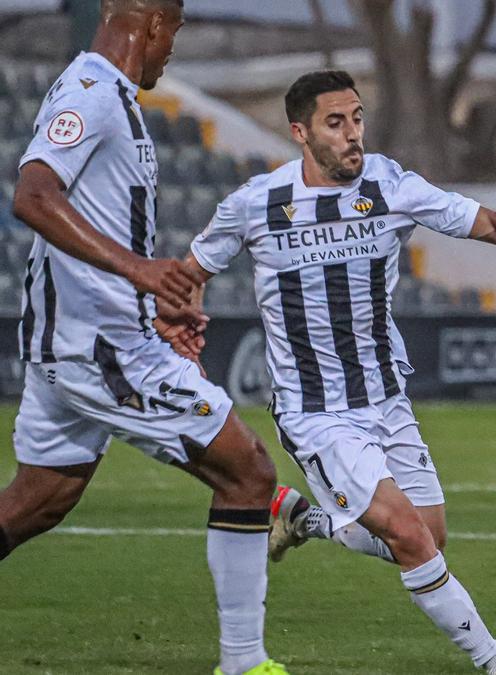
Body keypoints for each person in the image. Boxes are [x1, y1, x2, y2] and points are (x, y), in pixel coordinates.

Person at [158, 70, 496, 675]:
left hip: (386, 399)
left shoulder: (390, 184)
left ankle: (302, 517)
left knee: (428, 539)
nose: (353, 134)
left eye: (357, 118)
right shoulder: (256, 203)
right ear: (300, 133)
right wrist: (177, 319)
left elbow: (486, 222)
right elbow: (190, 270)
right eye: (336, 123)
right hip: (316, 411)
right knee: (409, 538)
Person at [0, 2, 288, 674]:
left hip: (86, 336)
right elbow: (33, 197)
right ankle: (245, 663)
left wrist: (146, 299)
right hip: (97, 349)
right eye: (176, 35)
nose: (172, 51)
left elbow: (92, 216)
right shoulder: (92, 93)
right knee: (249, 474)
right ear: (154, 27)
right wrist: (141, 273)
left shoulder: (108, 95)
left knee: (39, 500)